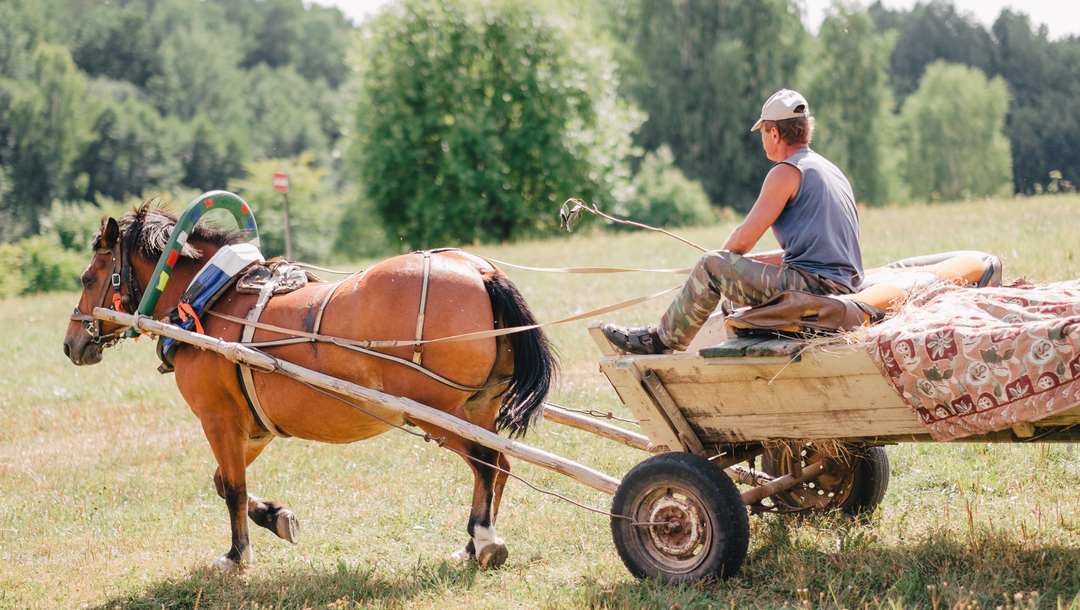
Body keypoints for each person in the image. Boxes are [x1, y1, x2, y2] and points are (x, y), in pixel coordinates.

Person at [601, 89, 863, 354]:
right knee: (724, 265)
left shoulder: (786, 172)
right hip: (841, 284)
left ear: (774, 133)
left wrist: (718, 264)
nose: (763, 140)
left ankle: (660, 341)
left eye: (763, 133)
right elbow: (815, 253)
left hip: (815, 288)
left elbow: (743, 240)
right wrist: (745, 265)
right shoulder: (829, 169)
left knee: (711, 265)